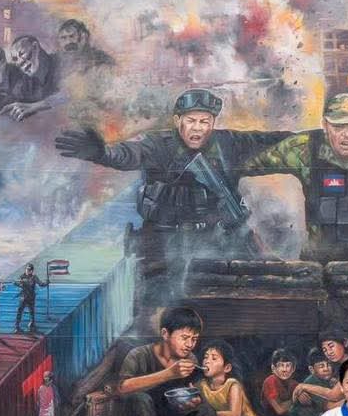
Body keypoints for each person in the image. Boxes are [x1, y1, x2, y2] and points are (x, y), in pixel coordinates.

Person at [55, 89, 292, 277]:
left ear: (212, 122)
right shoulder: (158, 145)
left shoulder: (227, 143)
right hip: (166, 243)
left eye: (204, 121)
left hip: (220, 238)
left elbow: (270, 141)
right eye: (191, 121)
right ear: (178, 120)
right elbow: (128, 154)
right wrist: (101, 153)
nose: (198, 128)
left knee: (268, 279)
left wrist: (309, 138)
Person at [244, 92, 348, 262]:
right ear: (325, 125)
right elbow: (249, 169)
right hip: (319, 260)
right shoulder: (302, 148)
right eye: (338, 127)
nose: (347, 134)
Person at [117, 306, 218, 416]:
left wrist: (193, 401)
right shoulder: (139, 355)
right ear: (165, 334)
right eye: (184, 338)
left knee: (207, 412)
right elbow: (122, 387)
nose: (190, 344)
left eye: (194, 339)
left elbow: (192, 390)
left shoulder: (190, 359)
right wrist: (168, 374)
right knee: (139, 399)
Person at [195, 340, 264, 416]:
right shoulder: (200, 385)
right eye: (205, 357)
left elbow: (235, 415)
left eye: (214, 358)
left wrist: (209, 415)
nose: (207, 361)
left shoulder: (232, 385)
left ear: (227, 368)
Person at [294, 348, 341, 416]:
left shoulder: (329, 380)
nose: (326, 369)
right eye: (321, 366)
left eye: (328, 364)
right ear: (312, 370)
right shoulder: (311, 382)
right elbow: (329, 407)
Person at [261, 348, 301, 416]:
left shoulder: (294, 384)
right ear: (273, 368)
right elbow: (279, 410)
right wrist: (295, 398)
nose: (284, 369)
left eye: (288, 365)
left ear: (293, 368)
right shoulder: (270, 381)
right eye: (281, 365)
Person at [13, 262, 48, 333]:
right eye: (27, 269)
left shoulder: (34, 277)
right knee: (20, 311)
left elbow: (41, 284)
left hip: (31, 297)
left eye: (29, 270)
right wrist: (20, 284)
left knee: (32, 312)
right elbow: (15, 282)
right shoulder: (22, 276)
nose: (27, 271)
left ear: (32, 271)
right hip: (23, 297)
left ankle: (32, 326)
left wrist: (46, 282)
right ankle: (17, 327)